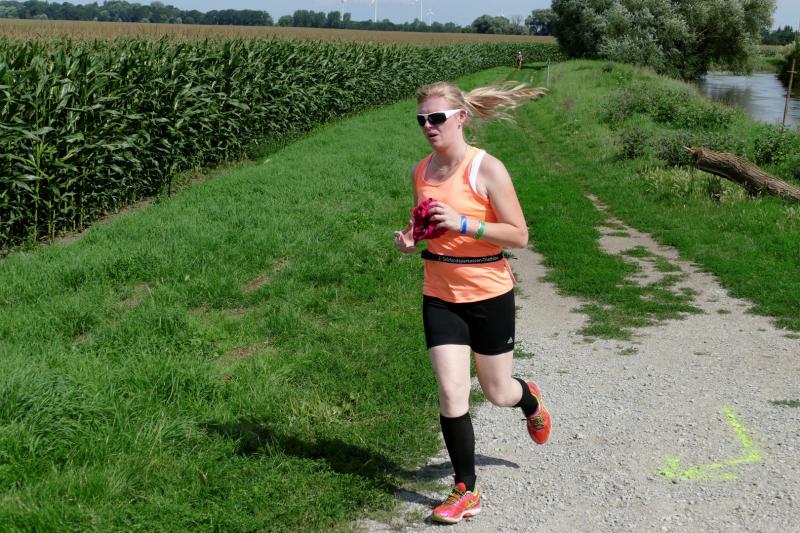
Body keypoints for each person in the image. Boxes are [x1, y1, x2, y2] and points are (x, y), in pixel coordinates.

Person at [393, 81, 551, 525]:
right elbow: (427, 225)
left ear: (461, 118)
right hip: (440, 295)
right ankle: (466, 489)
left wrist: (465, 223)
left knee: (498, 392)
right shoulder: (421, 171)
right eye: (422, 120)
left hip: (489, 294)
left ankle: (529, 400)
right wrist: (411, 239)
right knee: (451, 392)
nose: (428, 126)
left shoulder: (487, 169)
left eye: (436, 118)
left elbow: (519, 235)